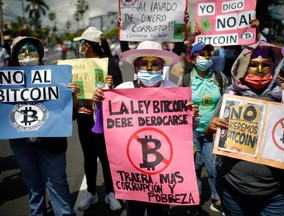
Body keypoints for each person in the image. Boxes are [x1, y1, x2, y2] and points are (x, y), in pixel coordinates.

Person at [92, 41, 200, 216]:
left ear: (162, 67)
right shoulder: (121, 91)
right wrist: (98, 104)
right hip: (134, 173)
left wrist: (192, 116)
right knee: (134, 211)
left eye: (155, 63)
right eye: (144, 63)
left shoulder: (173, 91)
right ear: (135, 68)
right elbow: (103, 125)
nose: (149, 68)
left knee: (159, 212)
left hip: (163, 174)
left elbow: (187, 130)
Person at [205, 41, 284, 215]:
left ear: (273, 67)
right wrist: (211, 128)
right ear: (243, 68)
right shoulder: (230, 96)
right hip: (232, 190)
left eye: (265, 65)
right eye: (253, 65)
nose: (259, 71)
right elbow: (209, 134)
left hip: (277, 194)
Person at [8, 36, 76, 216]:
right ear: (14, 56)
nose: (27, 54)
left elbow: (71, 116)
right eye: (22, 51)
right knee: (33, 187)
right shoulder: (5, 82)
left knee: (57, 186)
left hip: (51, 144)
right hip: (21, 143)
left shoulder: (56, 78)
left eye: (32, 50)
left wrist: (70, 98)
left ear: (40, 54)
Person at [72, 26, 123, 211]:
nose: (80, 47)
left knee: (106, 156)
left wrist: (111, 87)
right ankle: (91, 194)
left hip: (103, 120)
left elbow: (120, 93)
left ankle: (111, 193)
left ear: (86, 46)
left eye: (81, 43)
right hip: (84, 118)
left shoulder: (110, 64)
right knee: (89, 157)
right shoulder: (77, 66)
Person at [178, 42, 228, 215]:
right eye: (202, 55)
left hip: (214, 132)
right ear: (192, 59)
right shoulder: (184, 80)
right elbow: (176, 107)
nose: (206, 58)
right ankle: (195, 196)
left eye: (208, 55)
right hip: (191, 131)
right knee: (194, 166)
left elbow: (228, 101)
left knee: (215, 167)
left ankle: (216, 196)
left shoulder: (220, 78)